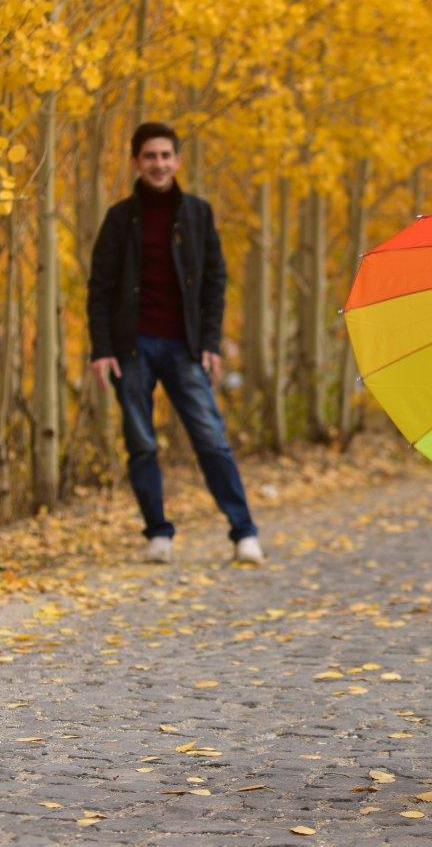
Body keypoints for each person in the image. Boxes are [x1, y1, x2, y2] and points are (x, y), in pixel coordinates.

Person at [87, 122, 262, 564]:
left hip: (185, 347)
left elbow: (215, 282)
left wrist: (210, 342)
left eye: (166, 155)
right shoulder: (119, 218)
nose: (159, 164)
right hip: (132, 348)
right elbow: (100, 288)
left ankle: (244, 532)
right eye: (150, 156)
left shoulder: (199, 214)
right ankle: (158, 533)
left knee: (211, 439)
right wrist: (102, 348)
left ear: (178, 161)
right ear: (136, 162)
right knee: (142, 443)